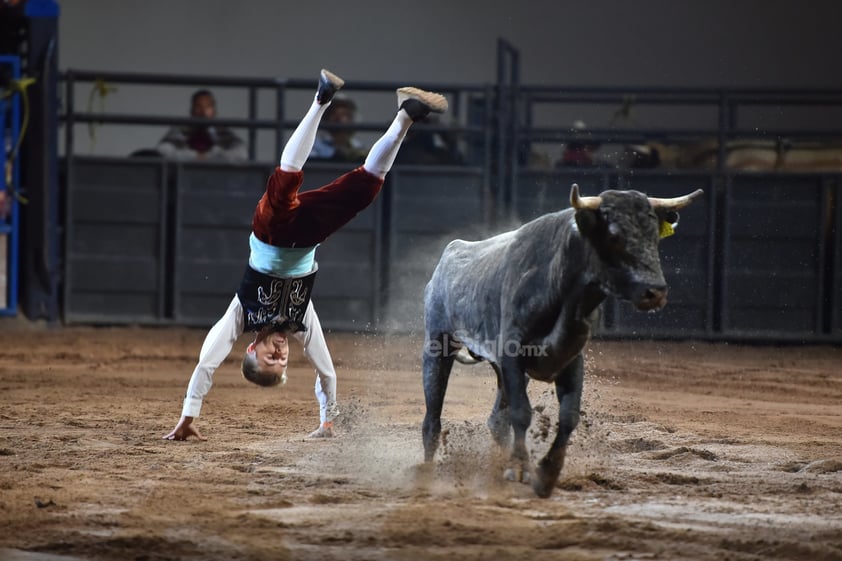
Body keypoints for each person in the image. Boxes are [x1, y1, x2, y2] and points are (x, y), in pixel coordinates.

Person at [163, 69, 447, 441]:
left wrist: (189, 414)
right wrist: (327, 421)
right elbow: (326, 372)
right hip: (309, 238)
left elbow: (207, 362)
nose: (279, 353)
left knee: (284, 181)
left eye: (269, 357)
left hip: (270, 233)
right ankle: (406, 114)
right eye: (281, 362)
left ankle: (321, 99)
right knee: (365, 187)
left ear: (252, 348)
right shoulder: (301, 320)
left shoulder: (241, 313)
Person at [156, 89, 248, 162]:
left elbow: (241, 154)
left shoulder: (223, 131)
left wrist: (209, 157)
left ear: (214, 112)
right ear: (192, 111)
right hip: (185, 177)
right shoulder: (182, 129)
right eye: (198, 107)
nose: (203, 112)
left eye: (208, 107)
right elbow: (163, 151)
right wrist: (194, 157)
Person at [309, 94, 367, 162]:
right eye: (334, 113)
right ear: (326, 117)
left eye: (346, 114)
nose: (340, 119)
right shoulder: (314, 145)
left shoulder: (357, 146)